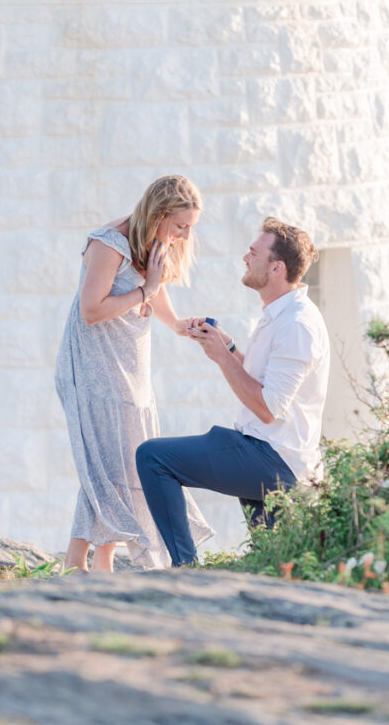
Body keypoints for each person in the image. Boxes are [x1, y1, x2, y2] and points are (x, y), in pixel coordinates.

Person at [136, 216, 330, 567]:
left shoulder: (297, 324)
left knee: (153, 458)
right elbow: (264, 381)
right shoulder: (280, 313)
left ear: (276, 268)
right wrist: (226, 346)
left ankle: (187, 570)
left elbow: (269, 408)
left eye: (253, 253)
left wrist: (223, 359)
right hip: (267, 454)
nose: (245, 257)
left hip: (273, 459)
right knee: (276, 564)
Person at [55, 174, 212, 572]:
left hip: (130, 364)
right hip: (93, 364)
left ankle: (100, 557)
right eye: (180, 225)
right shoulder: (109, 244)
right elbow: (91, 311)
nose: (185, 234)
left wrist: (177, 325)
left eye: (190, 226)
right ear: (158, 214)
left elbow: (153, 287)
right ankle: (79, 560)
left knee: (124, 459)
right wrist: (147, 290)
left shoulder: (155, 241)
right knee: (109, 459)